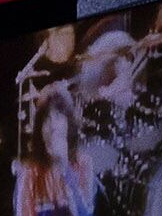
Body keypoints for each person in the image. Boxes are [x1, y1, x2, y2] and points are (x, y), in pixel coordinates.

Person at [11, 83, 98, 216]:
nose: (52, 125)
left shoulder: (83, 164)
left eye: (57, 116)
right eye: (46, 119)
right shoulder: (29, 173)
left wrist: (65, 170)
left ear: (68, 123)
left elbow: (85, 213)